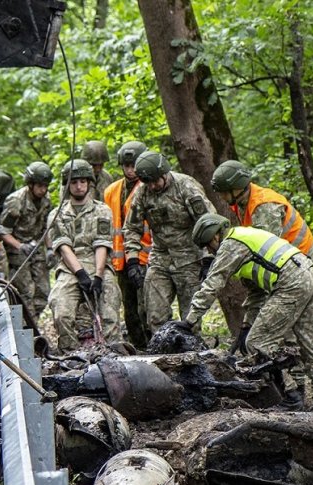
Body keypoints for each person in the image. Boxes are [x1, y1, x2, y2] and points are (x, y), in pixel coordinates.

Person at [179, 214, 313, 411]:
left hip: (291, 282)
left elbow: (212, 284)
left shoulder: (231, 244)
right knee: (311, 342)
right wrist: (246, 324)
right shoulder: (245, 238)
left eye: (208, 245)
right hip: (308, 273)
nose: (209, 250)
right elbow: (256, 292)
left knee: (258, 343)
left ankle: (291, 395)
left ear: (216, 235)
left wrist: (190, 320)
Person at [123, 150, 213, 333]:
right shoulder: (142, 193)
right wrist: (132, 260)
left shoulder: (186, 187)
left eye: (156, 181)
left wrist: (208, 257)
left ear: (164, 173)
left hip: (189, 258)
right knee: (155, 314)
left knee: (191, 319)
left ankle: (190, 352)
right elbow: (132, 228)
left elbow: (208, 222)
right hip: (160, 257)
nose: (153, 186)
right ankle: (164, 351)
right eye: (148, 182)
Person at [47, 159, 122, 352]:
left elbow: (102, 244)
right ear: (67, 184)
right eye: (74, 182)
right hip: (70, 268)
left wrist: (97, 276)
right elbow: (63, 247)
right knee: (61, 311)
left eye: (82, 181)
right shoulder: (57, 214)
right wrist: (80, 274)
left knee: (110, 312)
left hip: (99, 264)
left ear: (89, 183)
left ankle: (113, 354)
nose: (79, 186)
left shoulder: (102, 210)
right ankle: (71, 355)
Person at [103, 141, 153, 348]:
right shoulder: (111, 191)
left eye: (134, 165)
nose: (131, 170)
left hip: (145, 256)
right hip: (120, 259)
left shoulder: (150, 187)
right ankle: (138, 346)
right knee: (129, 308)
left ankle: (153, 344)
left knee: (147, 307)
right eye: (127, 165)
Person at [211, 160, 313, 258]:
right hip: (286, 252)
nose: (222, 197)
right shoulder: (242, 202)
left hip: (300, 254)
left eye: (224, 193)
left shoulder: (264, 207)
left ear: (238, 188)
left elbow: (265, 248)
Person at [0, 161, 53, 320]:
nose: (43, 189)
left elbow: (45, 227)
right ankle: (30, 330)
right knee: (26, 292)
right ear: (30, 184)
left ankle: (34, 324)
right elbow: (2, 232)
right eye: (39, 186)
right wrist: (20, 246)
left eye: (45, 186)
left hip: (35, 247)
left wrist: (49, 249)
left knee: (43, 291)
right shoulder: (16, 201)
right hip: (17, 249)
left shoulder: (46, 200)